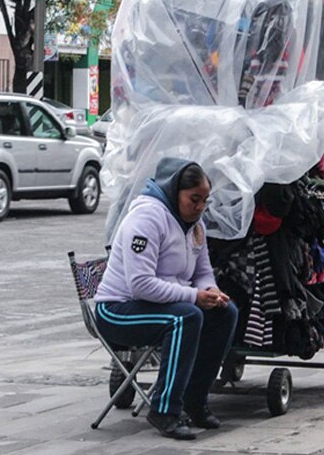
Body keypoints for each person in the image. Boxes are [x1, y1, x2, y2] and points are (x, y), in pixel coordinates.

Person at [93, 158, 237, 441]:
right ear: (175, 192)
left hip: (160, 305)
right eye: (194, 199)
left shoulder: (195, 225)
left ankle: (195, 400)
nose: (199, 207)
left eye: (204, 201)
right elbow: (140, 285)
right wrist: (195, 296)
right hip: (117, 309)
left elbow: (203, 271)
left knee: (226, 312)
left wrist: (211, 291)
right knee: (186, 317)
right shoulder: (147, 218)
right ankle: (164, 410)